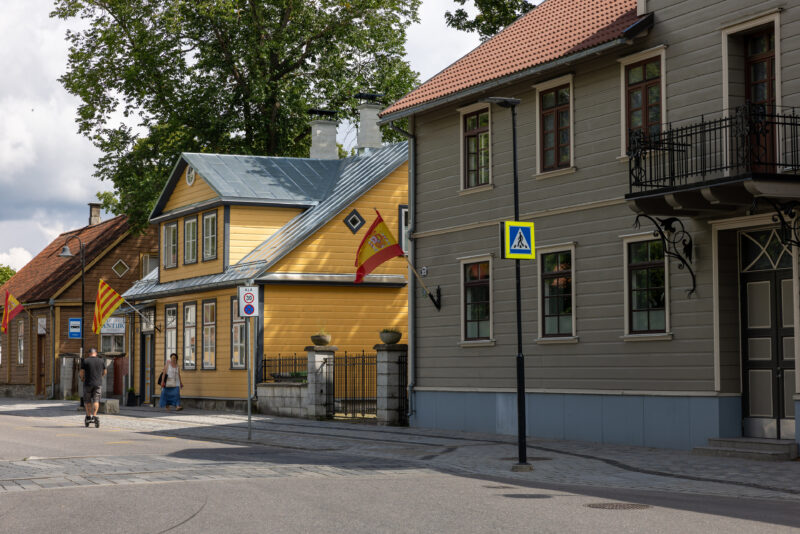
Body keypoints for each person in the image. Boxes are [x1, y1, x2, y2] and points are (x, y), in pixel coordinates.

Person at [79, 348, 106, 427]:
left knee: (87, 401)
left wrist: (82, 378)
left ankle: (88, 416)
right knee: (96, 400)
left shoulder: (86, 361)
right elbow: (105, 371)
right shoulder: (101, 361)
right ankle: (94, 416)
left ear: (89, 353)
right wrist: (100, 377)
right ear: (96, 353)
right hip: (98, 384)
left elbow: (81, 372)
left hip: (88, 383)